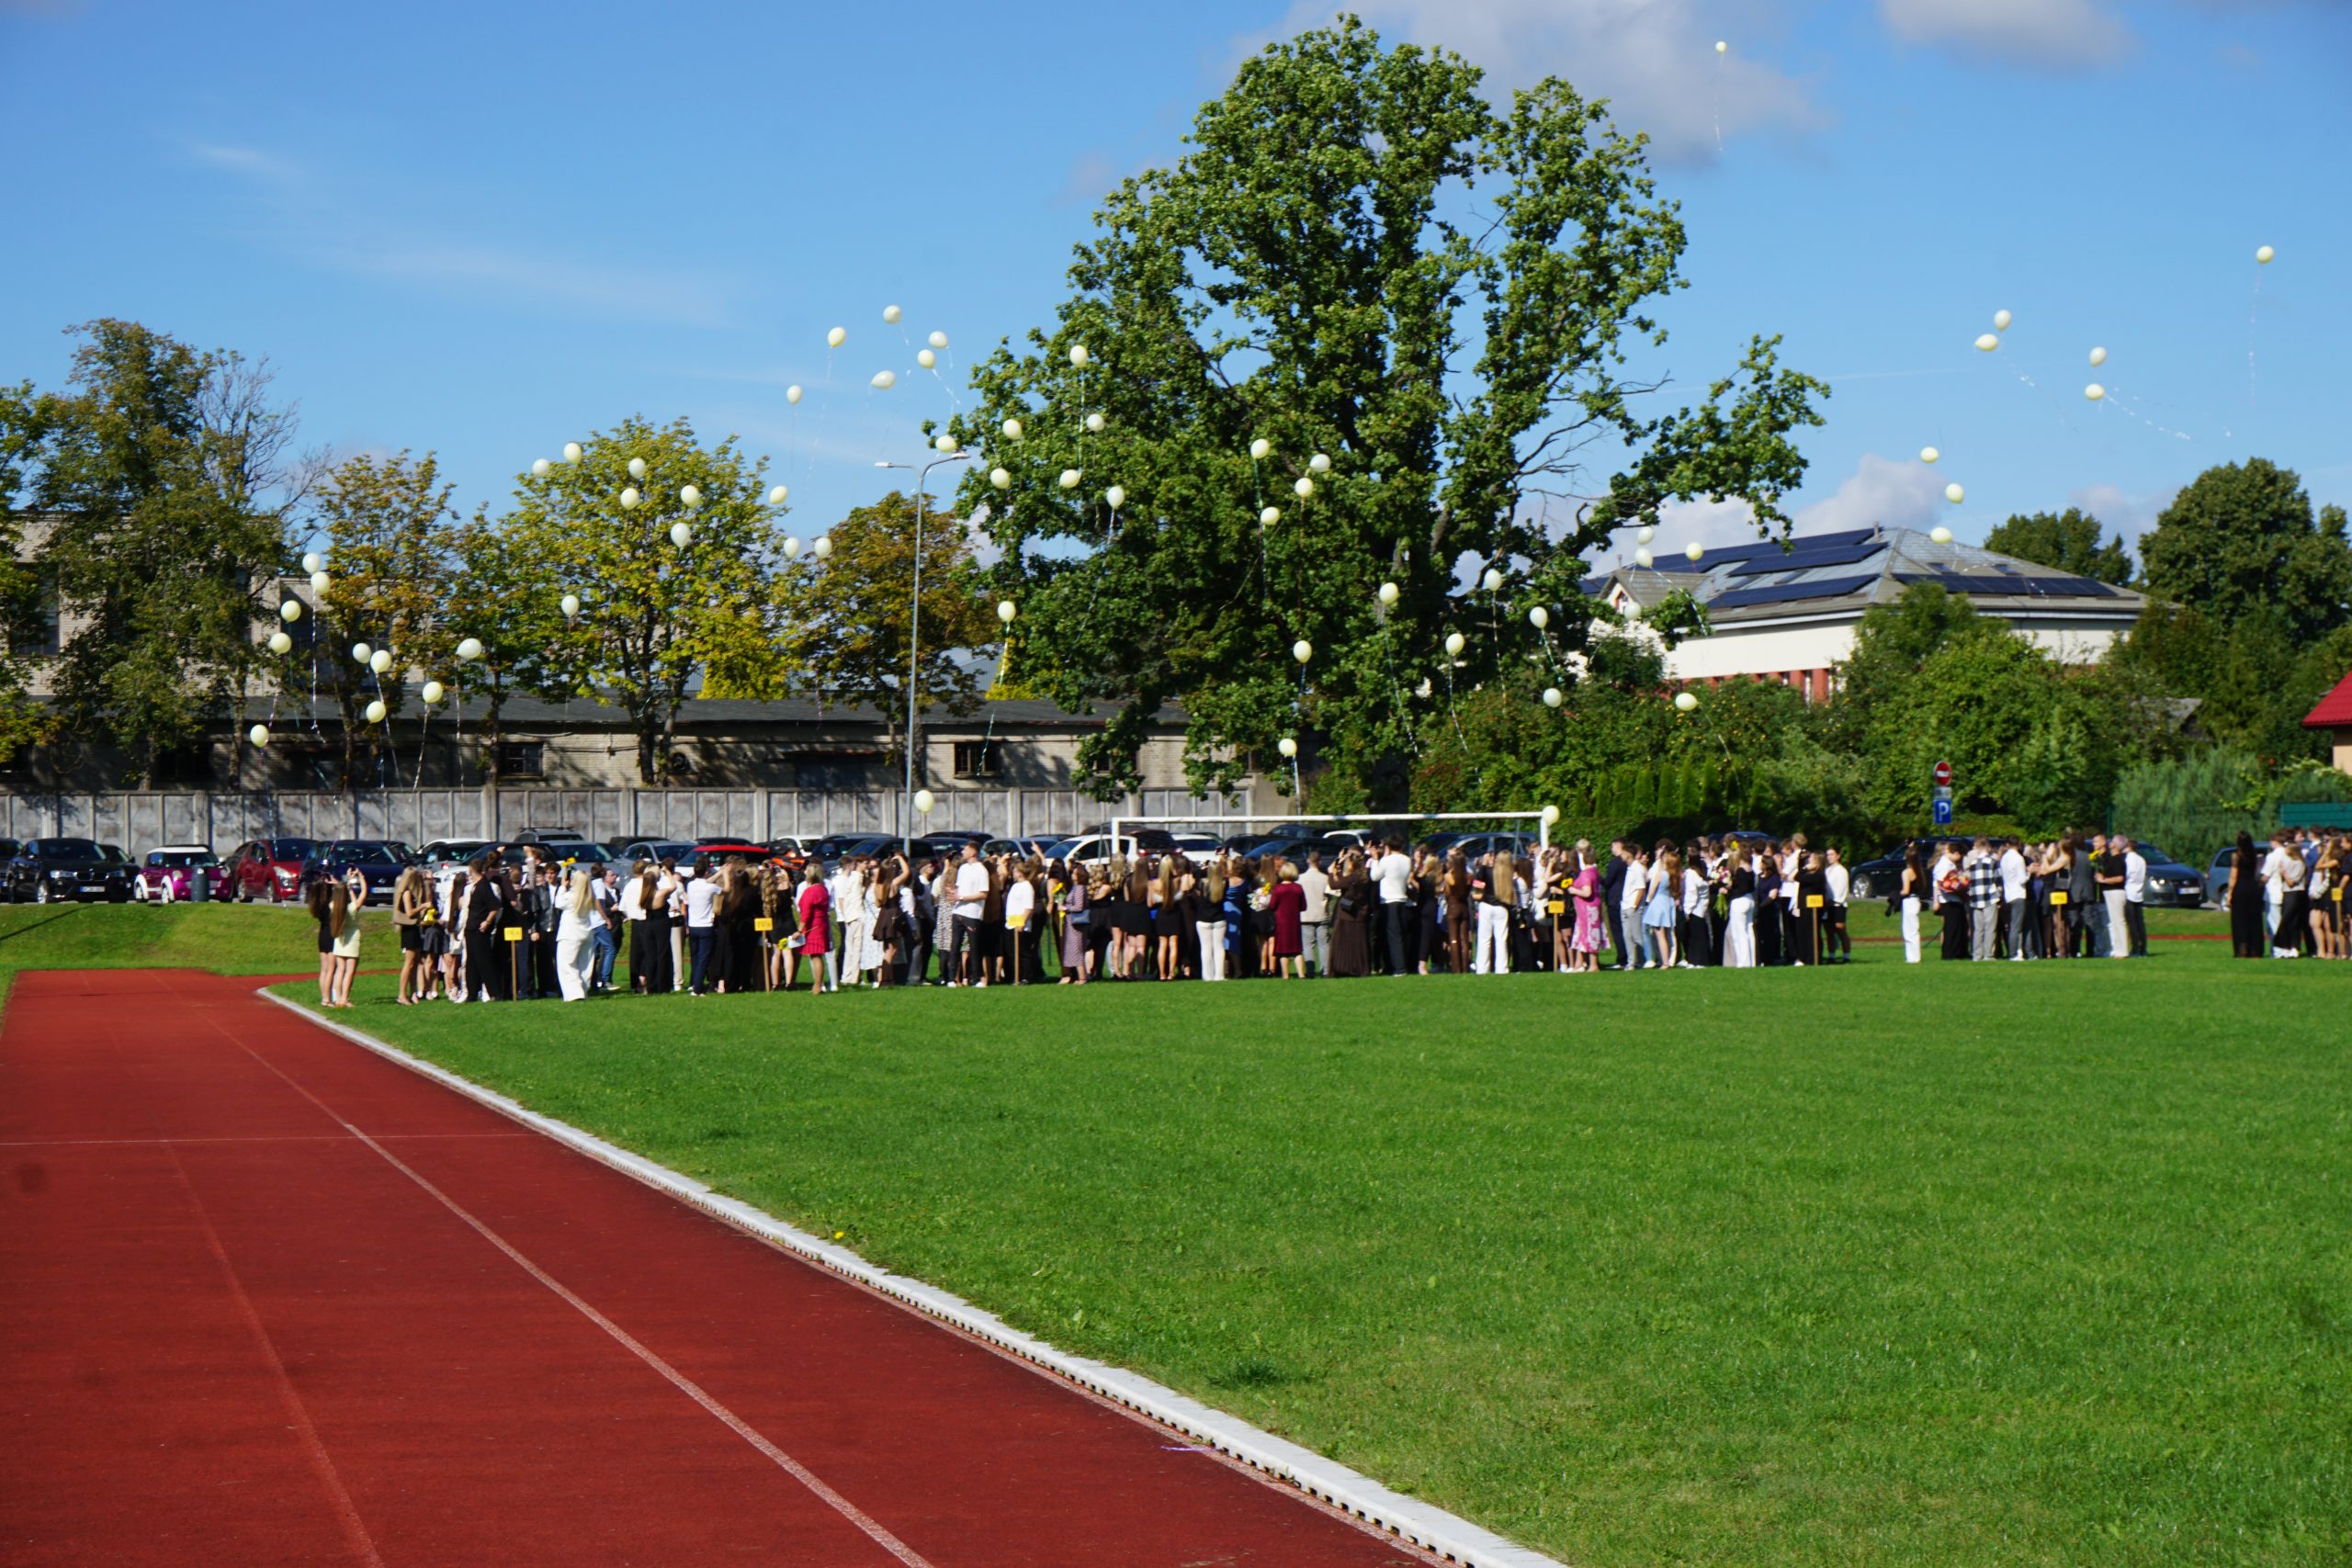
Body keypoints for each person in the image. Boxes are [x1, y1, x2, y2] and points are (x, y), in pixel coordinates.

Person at [553, 867, 601, 1001]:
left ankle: (575, 993)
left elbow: (558, 903)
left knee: (567, 965)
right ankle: (583, 991)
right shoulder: (589, 896)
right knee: (585, 965)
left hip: (570, 934)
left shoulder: (571, 896)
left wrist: (563, 887)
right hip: (586, 933)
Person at [948, 843, 988, 986]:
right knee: (955, 945)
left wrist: (963, 898)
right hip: (958, 911)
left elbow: (983, 894)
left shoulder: (981, 870)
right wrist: (954, 894)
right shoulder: (963, 868)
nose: (963, 851)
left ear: (973, 852)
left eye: (965, 850)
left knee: (974, 947)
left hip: (973, 913)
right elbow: (959, 888)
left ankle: (976, 978)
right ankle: (951, 978)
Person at [390, 865, 430, 1005]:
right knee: (409, 963)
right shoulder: (407, 893)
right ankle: (402, 995)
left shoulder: (414, 893)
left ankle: (413, 993)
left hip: (414, 928)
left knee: (415, 963)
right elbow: (409, 913)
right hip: (409, 930)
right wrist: (423, 906)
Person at [1374, 840, 1414, 976]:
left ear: (1388, 847)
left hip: (1389, 900)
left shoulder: (1386, 861)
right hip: (1402, 899)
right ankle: (1397, 965)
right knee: (1401, 934)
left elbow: (1374, 876)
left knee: (1393, 935)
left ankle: (1399, 968)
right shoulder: (1407, 860)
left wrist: (1376, 860)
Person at [1329, 852, 1371, 978]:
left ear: (1352, 864)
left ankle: (1342, 967)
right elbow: (1344, 882)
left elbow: (1334, 885)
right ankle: (1360, 968)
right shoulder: (1364, 877)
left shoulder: (1352, 878)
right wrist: (1338, 871)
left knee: (1342, 943)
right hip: (1360, 914)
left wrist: (1331, 873)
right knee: (1358, 945)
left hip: (1347, 914)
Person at [684, 856, 721, 994]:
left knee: (695, 957)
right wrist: (723, 874)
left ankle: (694, 983)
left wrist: (720, 872)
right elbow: (726, 889)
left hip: (693, 925)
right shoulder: (710, 887)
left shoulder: (690, 885)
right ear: (706, 872)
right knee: (703, 959)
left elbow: (705, 881)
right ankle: (697, 988)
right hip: (705, 926)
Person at [794, 863, 834, 992]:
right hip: (822, 924)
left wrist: (799, 930)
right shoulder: (823, 889)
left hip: (813, 926)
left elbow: (806, 914)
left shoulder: (810, 891)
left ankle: (817, 986)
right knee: (817, 956)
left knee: (815, 956)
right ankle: (818, 985)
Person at [1474, 849, 1513, 976]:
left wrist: (1483, 865)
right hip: (1501, 907)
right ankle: (1502, 968)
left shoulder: (1488, 871)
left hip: (1486, 905)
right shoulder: (1508, 873)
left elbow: (1477, 882)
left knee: (1484, 939)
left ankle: (1482, 968)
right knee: (1501, 939)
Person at [1267, 860, 1306, 979]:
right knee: (1297, 950)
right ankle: (1301, 974)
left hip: (1281, 923)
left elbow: (1272, 906)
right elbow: (1303, 906)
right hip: (1295, 922)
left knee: (1283, 951)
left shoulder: (1278, 889)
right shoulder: (1298, 888)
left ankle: (1285, 975)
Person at [1966, 838, 2002, 962]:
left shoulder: (1972, 864)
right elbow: (1998, 880)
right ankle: (1988, 954)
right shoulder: (1993, 862)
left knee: (1978, 929)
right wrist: (2000, 896)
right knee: (1990, 928)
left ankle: (1977, 955)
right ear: (1988, 847)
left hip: (1976, 899)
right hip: (1990, 897)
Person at [1297, 852, 1332, 977]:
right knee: (1324, 944)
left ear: (1308, 861)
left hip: (1306, 915)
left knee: (1308, 945)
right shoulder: (1325, 878)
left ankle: (1310, 971)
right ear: (1320, 862)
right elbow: (1330, 895)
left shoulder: (1300, 879)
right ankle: (1326, 971)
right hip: (1321, 913)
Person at [2094, 834, 2129, 960]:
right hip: (2109, 892)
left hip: (2116, 892)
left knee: (2118, 921)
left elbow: (2120, 878)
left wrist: (2104, 880)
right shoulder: (2113, 858)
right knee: (2114, 922)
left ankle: (2122, 950)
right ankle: (2117, 949)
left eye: (2112, 841)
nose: (2110, 843)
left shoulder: (2118, 859)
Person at [308, 876, 340, 1007]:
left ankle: (324, 998)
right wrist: (336, 884)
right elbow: (342, 895)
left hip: (322, 934)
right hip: (331, 934)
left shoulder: (317, 902)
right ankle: (327, 999)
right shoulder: (330, 902)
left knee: (324, 969)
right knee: (331, 969)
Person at [1997, 837, 2030, 962]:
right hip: (2018, 893)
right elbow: (2022, 879)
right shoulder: (2018, 858)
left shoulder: (2004, 858)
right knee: (2016, 926)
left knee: (2013, 925)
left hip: (2008, 894)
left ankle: (2017, 951)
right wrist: (2029, 873)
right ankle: (2013, 953)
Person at [2120, 836, 2149, 958]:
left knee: (2131, 922)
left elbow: (2126, 875)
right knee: (2140, 922)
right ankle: (2143, 948)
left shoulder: (2128, 860)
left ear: (2129, 847)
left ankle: (2135, 948)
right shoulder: (2141, 860)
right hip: (2139, 892)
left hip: (2129, 892)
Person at [1823, 847, 1851, 964]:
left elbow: (1842, 888)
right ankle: (1831, 955)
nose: (1829, 857)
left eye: (1832, 854)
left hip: (1838, 904)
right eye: (1828, 855)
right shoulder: (1827, 870)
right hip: (1827, 905)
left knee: (1840, 930)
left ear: (1838, 856)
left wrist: (1835, 900)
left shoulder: (1841, 871)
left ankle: (1846, 956)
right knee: (1829, 931)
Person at [1898, 843, 1925, 964]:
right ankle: (1914, 956)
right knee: (1914, 930)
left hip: (1909, 902)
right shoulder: (1919, 871)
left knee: (1909, 931)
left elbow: (1906, 890)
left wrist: (1897, 893)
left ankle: (1912, 957)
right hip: (1916, 900)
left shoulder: (1907, 872)